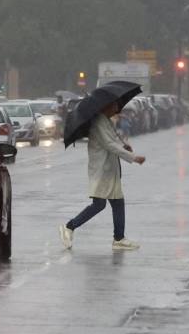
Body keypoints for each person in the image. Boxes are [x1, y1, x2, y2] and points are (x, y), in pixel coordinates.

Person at [59, 101, 146, 251]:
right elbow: (109, 145)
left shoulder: (106, 121)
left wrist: (124, 145)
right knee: (99, 204)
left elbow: (114, 140)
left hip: (109, 170)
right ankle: (69, 227)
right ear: (104, 106)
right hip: (102, 171)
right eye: (113, 106)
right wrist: (133, 157)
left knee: (116, 202)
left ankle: (118, 238)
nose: (116, 109)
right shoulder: (99, 122)